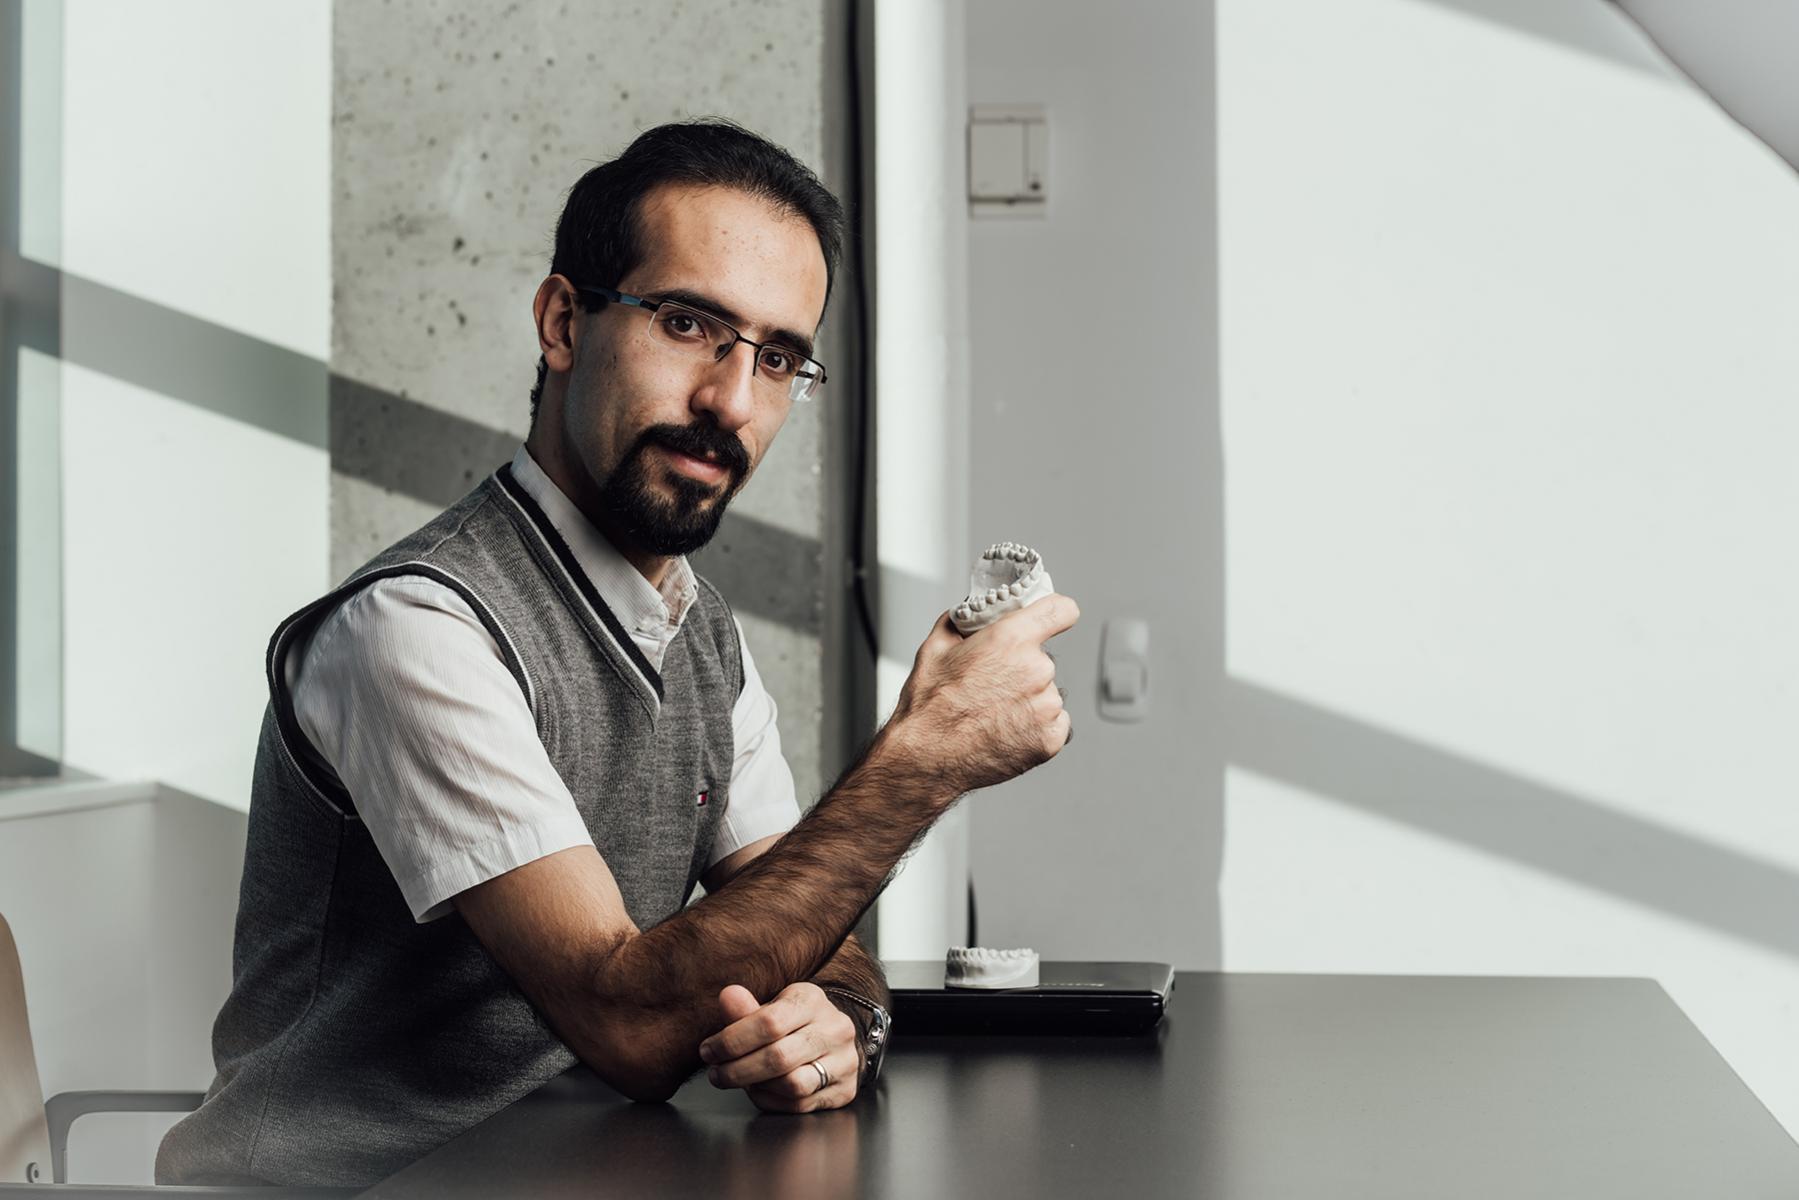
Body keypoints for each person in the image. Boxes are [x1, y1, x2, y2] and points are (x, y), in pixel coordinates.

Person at [157, 118, 1077, 1188]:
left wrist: (836, 1023)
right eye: (688, 324)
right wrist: (921, 761)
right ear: (561, 322)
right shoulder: (415, 628)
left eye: (776, 357)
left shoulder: (698, 633)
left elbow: (817, 930)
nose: (731, 401)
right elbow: (627, 1020)